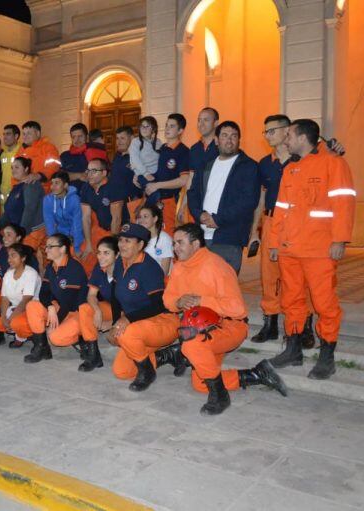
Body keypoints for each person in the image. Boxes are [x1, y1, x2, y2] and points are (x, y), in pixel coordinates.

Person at [164, 223, 287, 415]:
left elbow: (237, 309)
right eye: (174, 243)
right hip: (203, 329)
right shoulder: (179, 267)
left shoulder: (216, 266)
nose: (175, 248)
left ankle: (220, 396)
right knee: (200, 384)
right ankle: (256, 374)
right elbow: (167, 299)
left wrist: (202, 300)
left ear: (196, 244)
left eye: (180, 243)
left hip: (230, 326)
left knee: (191, 345)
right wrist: (179, 302)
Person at [268, 119, 356, 380]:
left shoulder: (334, 162)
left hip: (319, 250)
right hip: (289, 249)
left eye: (290, 136)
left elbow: (344, 203)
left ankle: (327, 356)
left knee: (324, 303)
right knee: (291, 300)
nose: (286, 141)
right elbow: (280, 208)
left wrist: (340, 240)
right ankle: (293, 350)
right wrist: (274, 242)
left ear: (304, 138)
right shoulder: (291, 168)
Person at [250, 114, 316, 345]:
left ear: (287, 130)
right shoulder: (264, 163)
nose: (267, 135)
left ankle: (304, 326)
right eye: (265, 132)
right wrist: (254, 231)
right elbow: (261, 197)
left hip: (296, 225)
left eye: (272, 131)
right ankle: (270, 325)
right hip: (270, 222)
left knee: (299, 276)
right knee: (269, 276)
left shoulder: (302, 160)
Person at [107, 223, 177, 392]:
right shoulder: (119, 263)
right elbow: (114, 294)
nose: (122, 245)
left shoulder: (149, 268)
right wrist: (116, 322)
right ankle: (167, 355)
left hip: (162, 321)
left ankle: (147, 372)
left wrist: (127, 319)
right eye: (121, 240)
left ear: (140, 245)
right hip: (139, 324)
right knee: (122, 372)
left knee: (126, 334)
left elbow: (159, 305)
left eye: (128, 241)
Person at [187, 120, 260, 274]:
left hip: (229, 237)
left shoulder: (249, 166)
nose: (229, 140)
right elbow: (193, 193)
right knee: (200, 285)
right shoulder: (206, 165)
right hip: (201, 236)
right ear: (216, 140)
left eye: (234, 136)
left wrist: (218, 219)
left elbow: (248, 201)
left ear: (239, 140)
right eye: (225, 135)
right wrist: (199, 214)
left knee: (224, 287)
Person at [23, 234, 88, 363]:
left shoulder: (74, 268)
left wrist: (54, 323)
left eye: (50, 247)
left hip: (75, 312)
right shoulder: (51, 267)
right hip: (59, 308)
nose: (46, 250)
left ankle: (83, 338)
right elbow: (44, 293)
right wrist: (50, 307)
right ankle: (42, 348)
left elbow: (69, 302)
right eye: (46, 247)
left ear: (63, 249)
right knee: (32, 306)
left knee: (56, 338)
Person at [143, 114, 193, 234]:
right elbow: (155, 172)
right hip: (154, 200)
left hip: (170, 202)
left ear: (180, 130)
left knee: (167, 237)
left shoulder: (183, 151)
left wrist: (157, 185)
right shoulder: (162, 149)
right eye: (166, 125)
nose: (167, 129)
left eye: (172, 126)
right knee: (151, 237)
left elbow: (184, 180)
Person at [0, 243, 41, 349]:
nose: (9, 259)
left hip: (31, 310)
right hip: (15, 308)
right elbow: (5, 298)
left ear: (23, 258)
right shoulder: (8, 274)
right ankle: (4, 336)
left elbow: (26, 300)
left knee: (17, 323)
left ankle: (27, 337)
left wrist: (10, 319)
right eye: (9, 256)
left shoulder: (30, 273)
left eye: (13, 255)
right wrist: (3, 318)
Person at [76, 237, 118, 372]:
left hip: (128, 312)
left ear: (117, 255)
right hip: (111, 306)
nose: (101, 257)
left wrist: (113, 322)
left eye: (106, 253)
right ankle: (94, 355)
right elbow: (91, 295)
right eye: (99, 253)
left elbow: (134, 306)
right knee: (85, 308)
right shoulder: (99, 269)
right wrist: (97, 311)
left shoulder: (125, 271)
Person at [79, 157, 127, 269]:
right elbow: (86, 218)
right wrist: (89, 243)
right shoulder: (86, 188)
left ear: (104, 173)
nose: (89, 174)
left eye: (94, 171)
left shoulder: (114, 187)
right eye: (88, 170)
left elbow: (116, 219)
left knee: (109, 257)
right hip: (101, 229)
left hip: (119, 231)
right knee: (85, 254)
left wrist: (113, 245)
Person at [0, 156, 46, 252]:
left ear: (26, 169)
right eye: (12, 167)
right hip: (18, 232)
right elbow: (8, 211)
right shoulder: (17, 187)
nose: (13, 170)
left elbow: (30, 210)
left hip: (30, 233)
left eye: (17, 167)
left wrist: (21, 231)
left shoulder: (32, 185)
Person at [42, 171, 84, 255]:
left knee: (76, 254)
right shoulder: (48, 200)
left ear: (65, 185)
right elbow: (49, 223)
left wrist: (76, 247)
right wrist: (53, 242)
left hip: (76, 234)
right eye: (52, 183)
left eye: (57, 183)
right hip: (59, 233)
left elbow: (77, 224)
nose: (53, 186)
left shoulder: (75, 199)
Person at [60, 123, 108, 188]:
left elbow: (102, 175)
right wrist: (79, 175)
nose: (77, 140)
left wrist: (71, 175)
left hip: (91, 194)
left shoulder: (95, 153)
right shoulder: (64, 156)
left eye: (80, 136)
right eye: (74, 137)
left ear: (87, 137)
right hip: (69, 195)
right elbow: (60, 177)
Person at [16, 120, 61, 191]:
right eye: (24, 134)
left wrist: (39, 175)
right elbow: (14, 172)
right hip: (23, 191)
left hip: (44, 191)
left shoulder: (49, 148)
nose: (25, 136)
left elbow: (54, 166)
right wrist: (15, 188)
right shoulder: (20, 151)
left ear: (38, 133)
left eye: (29, 133)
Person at [136, 204, 173, 274]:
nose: (141, 220)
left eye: (145, 216)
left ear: (155, 219)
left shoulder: (164, 239)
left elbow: (164, 271)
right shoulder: (139, 239)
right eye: (140, 217)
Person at [129, 116, 163, 186]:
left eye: (147, 126)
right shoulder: (136, 141)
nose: (144, 129)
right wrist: (145, 173)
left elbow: (161, 159)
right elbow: (135, 160)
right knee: (154, 192)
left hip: (158, 174)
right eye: (142, 126)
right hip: (143, 174)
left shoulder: (158, 142)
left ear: (153, 129)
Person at [189, 107, 221, 174]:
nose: (201, 124)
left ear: (216, 123)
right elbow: (191, 177)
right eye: (199, 120)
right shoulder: (194, 149)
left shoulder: (222, 146)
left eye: (206, 120)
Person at [0, 124, 21, 202]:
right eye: (4, 134)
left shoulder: (22, 152)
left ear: (16, 136)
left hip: (17, 194)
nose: (5, 137)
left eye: (8, 134)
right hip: (4, 196)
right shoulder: (3, 154)